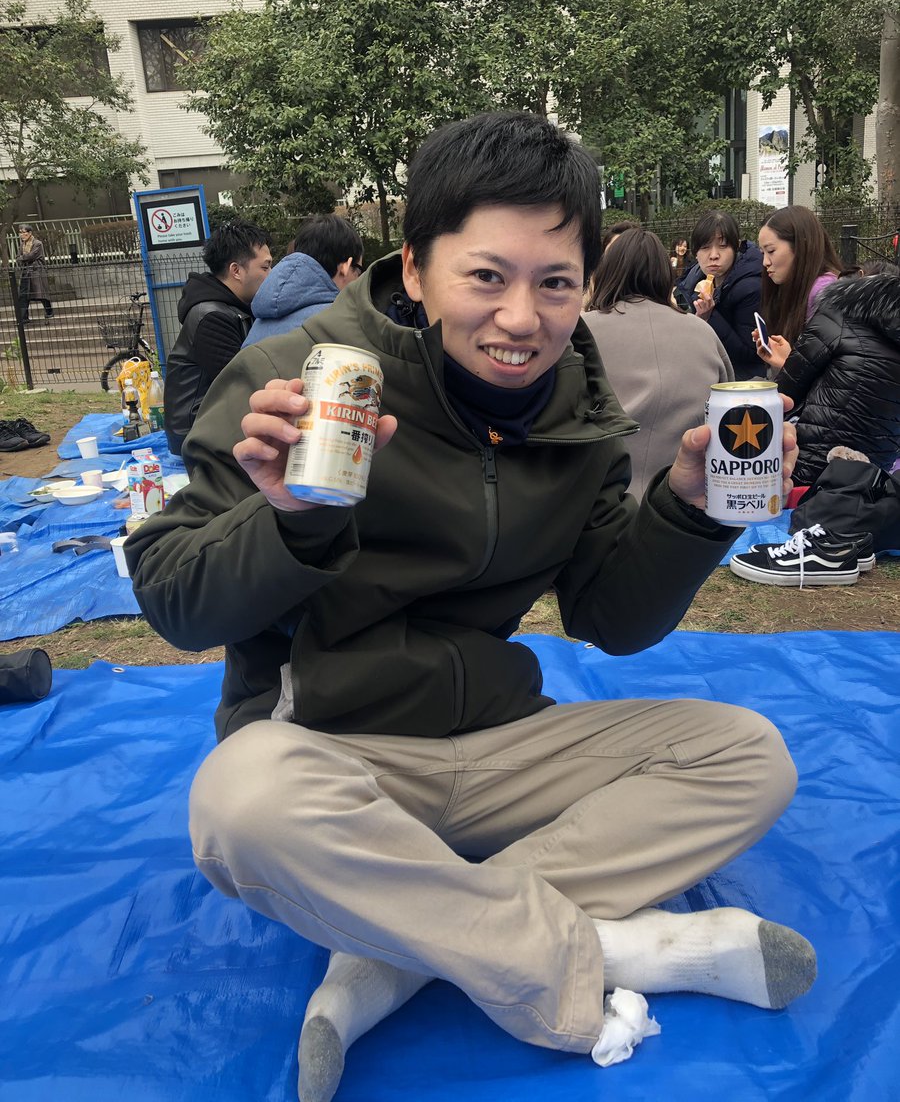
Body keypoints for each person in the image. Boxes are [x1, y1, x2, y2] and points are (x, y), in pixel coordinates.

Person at [126, 112, 813, 1101]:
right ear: (415, 269)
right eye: (486, 276)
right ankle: (607, 953)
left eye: (555, 283)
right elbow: (173, 599)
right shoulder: (297, 378)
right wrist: (287, 521)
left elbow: (611, 618)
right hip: (332, 750)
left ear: (587, 282)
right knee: (240, 800)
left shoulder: (580, 412)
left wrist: (689, 509)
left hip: (498, 741)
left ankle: (398, 951)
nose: (521, 318)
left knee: (747, 755)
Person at [582, 227, 733, 497]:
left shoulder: (581, 332)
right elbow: (728, 410)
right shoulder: (702, 333)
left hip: (598, 496)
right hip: (685, 495)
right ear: (665, 275)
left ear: (606, 272)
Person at [754, 273, 900, 485]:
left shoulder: (837, 313)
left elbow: (784, 396)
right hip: (873, 481)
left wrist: (789, 362)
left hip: (806, 468)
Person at [163, 219, 272, 456]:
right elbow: (241, 384)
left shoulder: (235, 308)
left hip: (211, 423)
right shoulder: (211, 317)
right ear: (236, 271)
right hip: (194, 435)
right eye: (265, 268)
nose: (271, 275)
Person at [243, 214, 365, 347]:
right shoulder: (344, 327)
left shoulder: (257, 327)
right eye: (359, 271)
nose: (358, 280)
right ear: (345, 267)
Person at [677, 211, 764, 379]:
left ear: (736, 247)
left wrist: (710, 316)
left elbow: (750, 354)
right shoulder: (691, 283)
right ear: (695, 252)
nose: (714, 255)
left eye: (723, 246)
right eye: (705, 247)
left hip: (740, 382)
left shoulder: (751, 287)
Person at [758, 206, 843, 354]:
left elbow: (834, 363)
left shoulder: (824, 292)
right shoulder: (791, 286)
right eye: (762, 253)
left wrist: (789, 362)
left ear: (800, 246)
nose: (765, 262)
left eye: (771, 251)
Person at [15, 225, 52, 322]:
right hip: (26, 271)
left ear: (30, 233)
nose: (22, 234)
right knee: (23, 295)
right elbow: (18, 257)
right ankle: (23, 317)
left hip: (36, 271)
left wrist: (22, 258)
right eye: (20, 232)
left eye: (24, 232)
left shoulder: (37, 243)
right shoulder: (22, 245)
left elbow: (31, 256)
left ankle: (49, 311)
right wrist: (21, 259)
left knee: (40, 293)